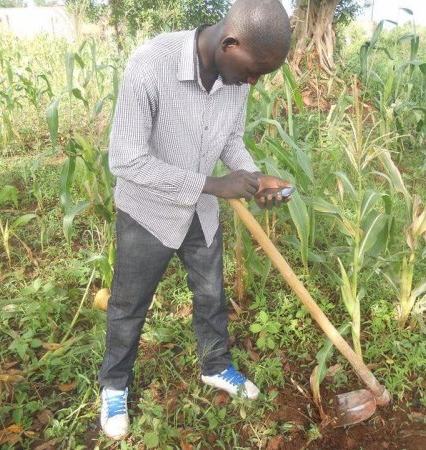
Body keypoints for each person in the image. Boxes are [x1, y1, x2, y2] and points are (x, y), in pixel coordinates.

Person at [98, 0, 293, 440]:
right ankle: (113, 385)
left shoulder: (237, 75)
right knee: (129, 305)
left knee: (211, 294)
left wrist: (255, 178)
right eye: (253, 70)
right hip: (146, 210)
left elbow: (231, 140)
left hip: (200, 212)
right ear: (229, 43)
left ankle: (216, 365)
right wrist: (213, 185)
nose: (253, 81)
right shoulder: (150, 66)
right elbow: (126, 160)